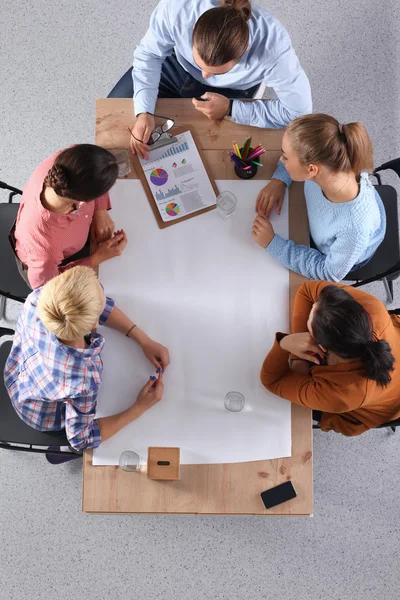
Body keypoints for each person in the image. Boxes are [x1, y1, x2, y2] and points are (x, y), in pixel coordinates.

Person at [3, 266, 170, 463]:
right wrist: (139, 407)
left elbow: (89, 306)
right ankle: (60, 445)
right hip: (40, 414)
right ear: (94, 324)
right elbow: (81, 439)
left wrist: (142, 339)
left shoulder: (38, 298)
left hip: (16, 373)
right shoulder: (81, 379)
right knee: (77, 442)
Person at [109, 0, 312, 159]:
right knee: (112, 120)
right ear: (194, 27)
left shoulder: (274, 48)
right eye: (201, 64)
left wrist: (232, 109)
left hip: (230, 93)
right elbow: (149, 54)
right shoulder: (177, 7)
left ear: (245, 50)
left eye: (216, 71)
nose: (204, 76)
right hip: (173, 68)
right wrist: (144, 110)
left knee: (215, 152)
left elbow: (299, 112)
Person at [252, 113, 386, 282]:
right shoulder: (329, 156)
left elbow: (328, 272)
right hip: (321, 225)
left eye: (285, 157)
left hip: (341, 254)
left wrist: (272, 243)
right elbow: (298, 153)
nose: (281, 159)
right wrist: (279, 179)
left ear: (312, 170)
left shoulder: (354, 229)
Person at [260, 280, 400, 436]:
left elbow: (272, 381)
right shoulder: (372, 308)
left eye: (308, 321)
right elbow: (307, 290)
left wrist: (285, 343)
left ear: (321, 346)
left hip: (383, 404)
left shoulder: (342, 393)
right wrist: (298, 359)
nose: (313, 305)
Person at [13, 144, 126, 289]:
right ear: (84, 201)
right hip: (48, 268)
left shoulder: (67, 162)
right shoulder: (46, 247)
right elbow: (46, 286)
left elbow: (91, 164)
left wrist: (100, 211)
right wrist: (97, 258)